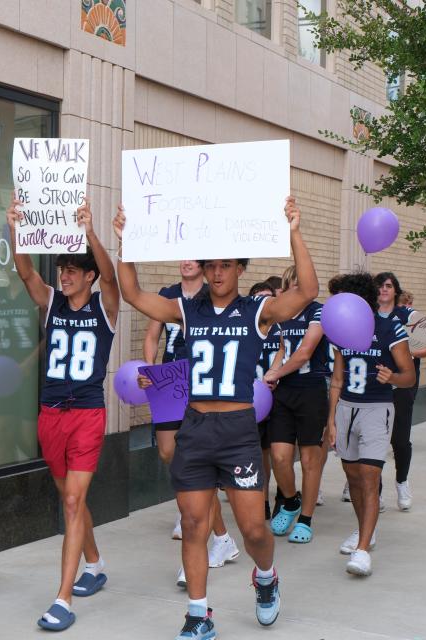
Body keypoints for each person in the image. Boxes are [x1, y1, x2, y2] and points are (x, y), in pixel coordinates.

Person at [114, 196, 319, 636]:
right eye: (212, 266)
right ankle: (198, 614)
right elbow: (132, 294)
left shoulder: (256, 312)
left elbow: (307, 292)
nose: (218, 272)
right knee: (192, 524)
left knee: (254, 530)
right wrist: (124, 242)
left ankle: (265, 578)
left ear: (240, 269)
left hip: (239, 429)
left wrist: (295, 231)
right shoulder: (187, 309)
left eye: (226, 265)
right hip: (195, 426)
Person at [7, 198, 119, 632]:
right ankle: (95, 562)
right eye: (62, 268)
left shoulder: (104, 307)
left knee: (73, 501)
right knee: (70, 499)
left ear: (88, 275)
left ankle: (63, 598)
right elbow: (25, 272)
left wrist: (91, 231)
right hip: (49, 414)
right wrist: (14, 228)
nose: (65, 274)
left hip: (87, 413)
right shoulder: (51, 302)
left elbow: (111, 278)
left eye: (73, 268)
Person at [138, 263, 239, 588]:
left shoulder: (215, 294)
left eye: (195, 257)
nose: (187, 261)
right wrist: (149, 369)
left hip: (201, 380)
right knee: (170, 453)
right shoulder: (168, 295)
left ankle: (205, 538)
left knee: (194, 462)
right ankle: (221, 535)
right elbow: (152, 334)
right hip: (169, 378)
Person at [326, 272, 415, 577]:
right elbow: (337, 379)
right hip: (346, 407)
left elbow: (409, 376)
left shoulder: (390, 327)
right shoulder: (340, 328)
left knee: (369, 476)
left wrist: (393, 377)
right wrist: (331, 420)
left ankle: (363, 549)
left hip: (377, 408)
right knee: (352, 477)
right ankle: (366, 529)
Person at [264, 265, 329, 543]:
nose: (292, 290)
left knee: (310, 460)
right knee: (279, 456)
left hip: (311, 389)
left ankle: (306, 519)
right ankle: (291, 502)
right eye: (289, 285)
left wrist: (277, 372)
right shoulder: (283, 313)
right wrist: (272, 374)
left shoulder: (318, 311)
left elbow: (304, 352)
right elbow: (282, 348)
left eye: (297, 284)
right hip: (285, 391)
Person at [373, 272, 426, 511]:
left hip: (401, 384)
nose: (384, 290)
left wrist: (399, 350)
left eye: (388, 286)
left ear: (396, 291)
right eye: (379, 286)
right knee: (373, 441)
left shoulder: (407, 315)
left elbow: (425, 347)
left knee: (400, 439)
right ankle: (375, 492)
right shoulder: (366, 315)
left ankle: (402, 482)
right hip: (374, 385)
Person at [249, 281, 281, 522]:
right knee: (258, 454)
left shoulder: (281, 329)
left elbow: (290, 356)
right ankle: (262, 502)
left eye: (268, 297)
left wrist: (278, 375)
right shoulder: (244, 327)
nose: (263, 302)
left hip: (278, 398)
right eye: (258, 297)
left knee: (277, 454)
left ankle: (283, 496)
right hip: (251, 400)